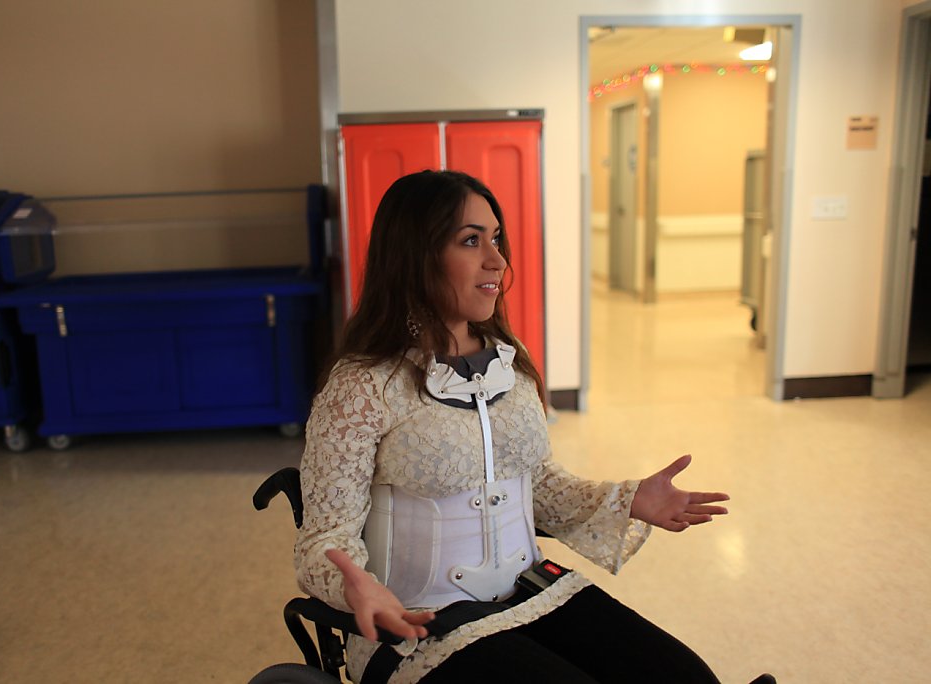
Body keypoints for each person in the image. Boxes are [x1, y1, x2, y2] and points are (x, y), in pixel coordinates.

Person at [294, 170, 750, 683]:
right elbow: (324, 537)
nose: (497, 260)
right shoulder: (364, 384)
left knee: (687, 678)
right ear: (414, 256)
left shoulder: (509, 364)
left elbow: (539, 487)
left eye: (496, 239)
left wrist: (628, 498)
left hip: (529, 589)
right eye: (471, 241)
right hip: (421, 626)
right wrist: (354, 585)